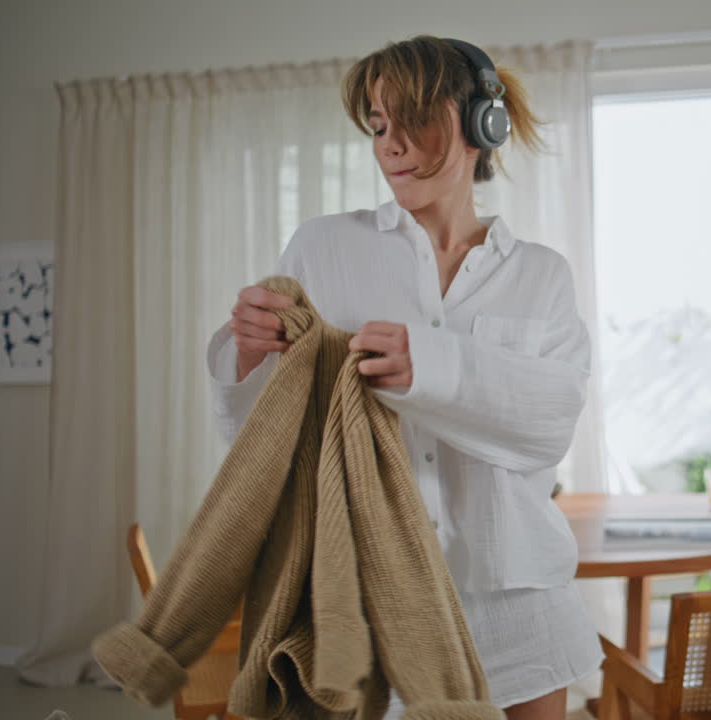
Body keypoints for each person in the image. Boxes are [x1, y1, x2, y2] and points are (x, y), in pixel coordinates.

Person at [204, 35, 603, 720]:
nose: (391, 145)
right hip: (367, 602)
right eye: (379, 126)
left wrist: (438, 368)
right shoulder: (324, 247)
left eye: (413, 119)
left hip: (519, 605)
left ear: (483, 122)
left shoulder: (541, 276)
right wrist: (244, 355)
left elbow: (550, 424)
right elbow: (268, 433)